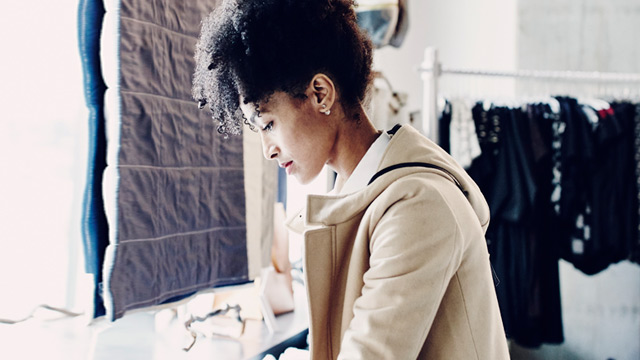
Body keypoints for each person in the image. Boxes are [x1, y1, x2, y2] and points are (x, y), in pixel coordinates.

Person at [192, 0, 510, 359]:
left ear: (320, 94)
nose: (268, 150)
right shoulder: (357, 191)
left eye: (268, 124)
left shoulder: (418, 205)